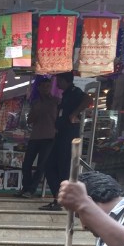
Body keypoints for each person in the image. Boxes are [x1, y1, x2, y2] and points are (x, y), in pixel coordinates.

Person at [40, 72, 92, 211]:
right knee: (49, 165)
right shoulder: (65, 94)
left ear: (64, 80)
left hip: (69, 134)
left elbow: (88, 99)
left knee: (63, 167)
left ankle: (62, 200)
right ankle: (58, 197)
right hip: (61, 133)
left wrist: (74, 114)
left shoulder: (75, 91)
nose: (56, 84)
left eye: (58, 80)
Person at [15, 77, 58, 198]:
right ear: (39, 88)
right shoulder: (36, 103)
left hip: (49, 137)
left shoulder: (56, 101)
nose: (46, 89)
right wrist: (36, 111)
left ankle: (31, 189)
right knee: (26, 164)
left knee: (41, 165)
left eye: (48, 86)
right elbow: (29, 120)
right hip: (35, 136)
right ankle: (26, 187)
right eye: (43, 86)